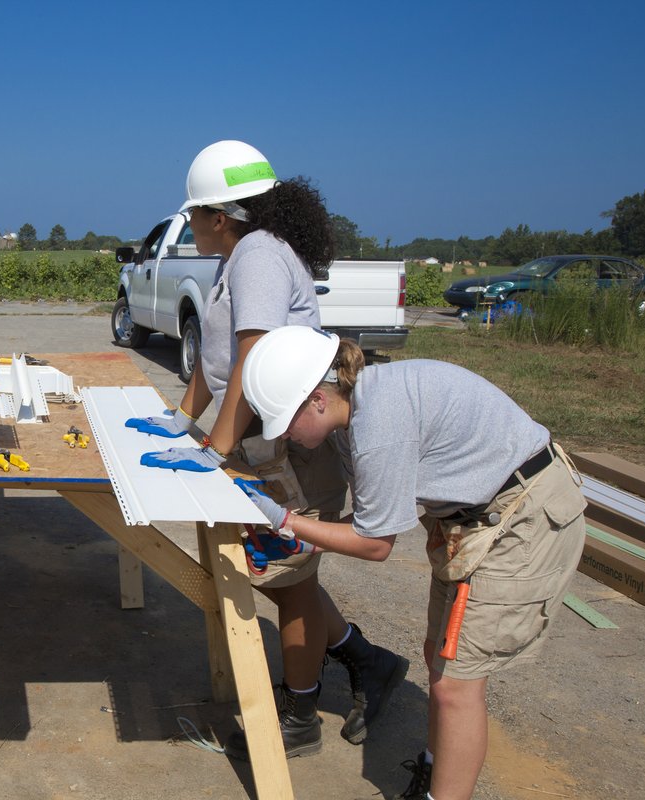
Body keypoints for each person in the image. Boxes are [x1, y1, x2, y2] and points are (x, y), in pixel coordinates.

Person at [125, 140, 405, 757]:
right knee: (283, 577)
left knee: (289, 579)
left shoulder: (255, 256)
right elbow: (219, 356)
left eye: (194, 213)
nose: (190, 223)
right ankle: (366, 660)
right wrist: (183, 418)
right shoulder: (238, 257)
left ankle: (299, 716)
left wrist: (216, 446)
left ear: (219, 216)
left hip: (293, 448)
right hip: (263, 441)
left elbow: (254, 353)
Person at [237, 325, 587, 800]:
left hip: (520, 518)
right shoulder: (357, 408)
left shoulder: (376, 424)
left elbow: (375, 543)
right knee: (440, 660)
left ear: (318, 399)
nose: (287, 436)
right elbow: (375, 515)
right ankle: (434, 767)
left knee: (456, 685)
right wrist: (301, 536)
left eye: (285, 422)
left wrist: (288, 523)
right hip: (475, 517)